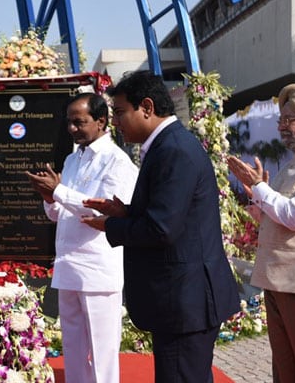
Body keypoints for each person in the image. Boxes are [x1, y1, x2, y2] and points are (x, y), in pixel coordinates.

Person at [81, 71, 239, 383]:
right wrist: (124, 212)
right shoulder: (167, 145)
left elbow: (161, 229)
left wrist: (112, 225)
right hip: (182, 299)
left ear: (148, 108)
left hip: (185, 300)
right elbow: (172, 216)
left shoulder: (174, 150)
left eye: (121, 113)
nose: (115, 123)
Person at [227, 83, 295, 382]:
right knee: (286, 371)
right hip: (279, 280)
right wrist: (257, 199)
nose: (282, 126)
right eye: (281, 120)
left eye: (289, 119)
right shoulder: (294, 165)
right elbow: (274, 217)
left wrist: (261, 188)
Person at [26, 93, 138, 383]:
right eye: (69, 123)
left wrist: (60, 192)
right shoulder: (71, 159)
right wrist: (49, 198)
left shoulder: (117, 162)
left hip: (98, 269)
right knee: (73, 348)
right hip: (69, 265)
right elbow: (58, 215)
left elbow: (103, 210)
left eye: (79, 122)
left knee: (102, 351)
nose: (72, 129)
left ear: (101, 121)